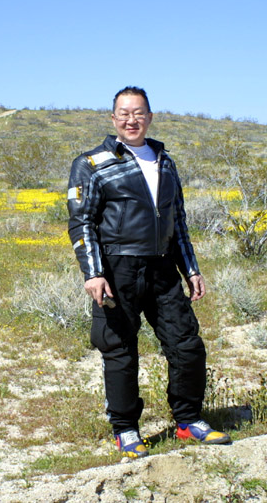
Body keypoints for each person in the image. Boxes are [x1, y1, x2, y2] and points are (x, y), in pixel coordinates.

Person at [67, 86, 230, 459]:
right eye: (124, 114)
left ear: (150, 117)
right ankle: (125, 430)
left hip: (162, 268)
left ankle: (188, 421)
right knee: (120, 351)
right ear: (113, 119)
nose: (132, 120)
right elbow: (81, 223)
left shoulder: (165, 161)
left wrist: (191, 269)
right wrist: (93, 273)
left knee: (187, 345)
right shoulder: (91, 163)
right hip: (117, 269)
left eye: (138, 113)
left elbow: (179, 221)